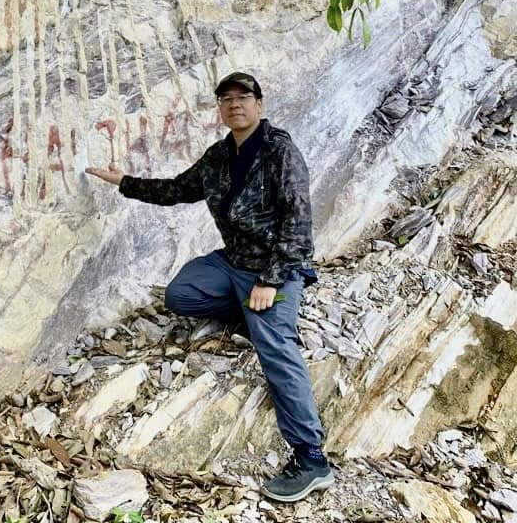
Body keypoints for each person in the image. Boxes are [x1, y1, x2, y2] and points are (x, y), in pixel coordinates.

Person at [86, 71, 334, 502]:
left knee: (276, 348)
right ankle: (249, 312)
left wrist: (269, 281)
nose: (234, 104)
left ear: (259, 104)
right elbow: (176, 190)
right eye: (226, 99)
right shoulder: (219, 156)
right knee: (180, 293)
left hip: (275, 268)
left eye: (243, 97)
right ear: (220, 109)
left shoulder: (280, 152)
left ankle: (311, 459)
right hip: (233, 262)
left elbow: (299, 226)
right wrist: (124, 181)